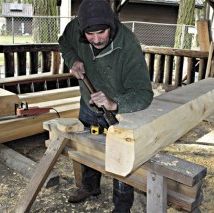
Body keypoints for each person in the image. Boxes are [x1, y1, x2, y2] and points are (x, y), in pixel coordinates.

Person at [58, 0, 153, 212]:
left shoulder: (128, 45)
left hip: (119, 114)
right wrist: (72, 59)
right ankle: (90, 187)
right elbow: (64, 43)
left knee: (120, 158)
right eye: (89, 35)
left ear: (111, 24)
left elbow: (145, 95)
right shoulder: (76, 28)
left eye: (101, 32)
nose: (96, 39)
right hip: (88, 104)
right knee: (89, 148)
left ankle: (121, 206)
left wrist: (113, 103)